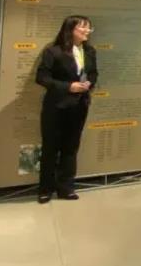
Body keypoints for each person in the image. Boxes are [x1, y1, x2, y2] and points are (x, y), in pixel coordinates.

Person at [35, 15, 98, 203]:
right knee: (50, 147)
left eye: (89, 27)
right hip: (56, 106)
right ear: (70, 30)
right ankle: (45, 189)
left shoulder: (90, 51)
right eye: (83, 27)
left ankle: (66, 187)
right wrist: (68, 87)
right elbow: (42, 78)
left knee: (71, 147)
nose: (87, 31)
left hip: (79, 105)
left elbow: (93, 73)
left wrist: (89, 83)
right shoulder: (53, 51)